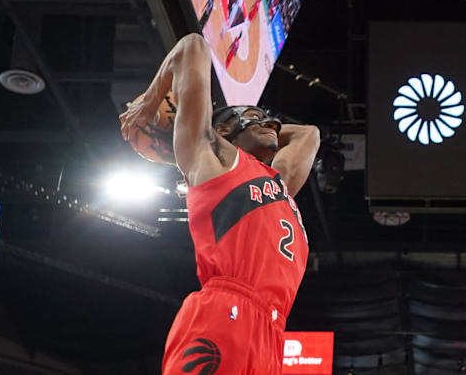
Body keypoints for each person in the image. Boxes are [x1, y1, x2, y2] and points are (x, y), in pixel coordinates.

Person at [119, 33, 320, 374]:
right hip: (226, 309)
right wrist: (151, 102)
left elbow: (308, 133)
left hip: (272, 332)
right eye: (256, 116)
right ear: (224, 130)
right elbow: (193, 46)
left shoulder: (278, 182)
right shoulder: (209, 157)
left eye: (270, 119)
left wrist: (260, 124)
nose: (270, 123)